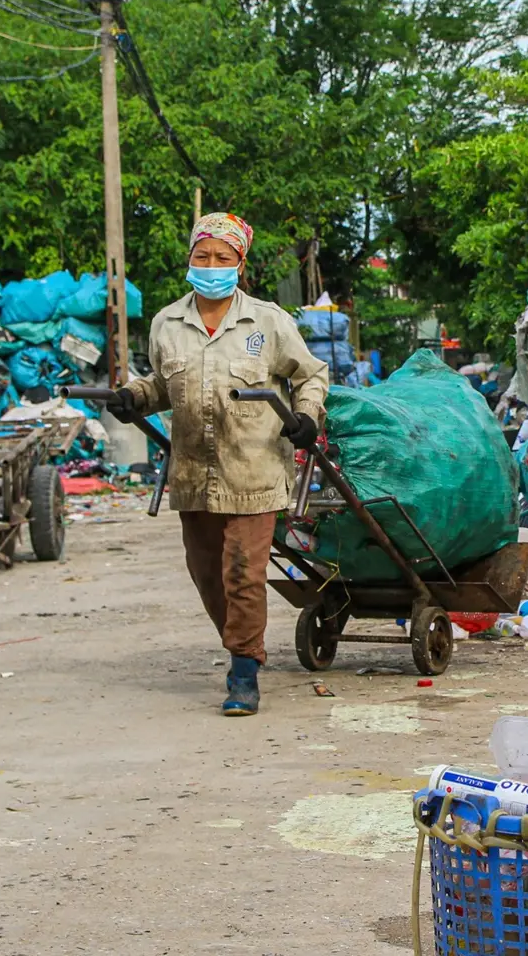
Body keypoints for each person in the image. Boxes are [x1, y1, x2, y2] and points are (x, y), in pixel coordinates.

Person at [110, 212, 329, 716]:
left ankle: (244, 671)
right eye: (202, 255)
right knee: (206, 572)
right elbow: (162, 385)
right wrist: (134, 396)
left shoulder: (268, 320)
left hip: (254, 467)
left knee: (242, 573)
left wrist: (305, 416)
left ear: (239, 264)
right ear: (190, 259)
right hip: (193, 470)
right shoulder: (168, 322)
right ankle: (243, 644)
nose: (211, 265)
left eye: (222, 258)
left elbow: (311, 374)